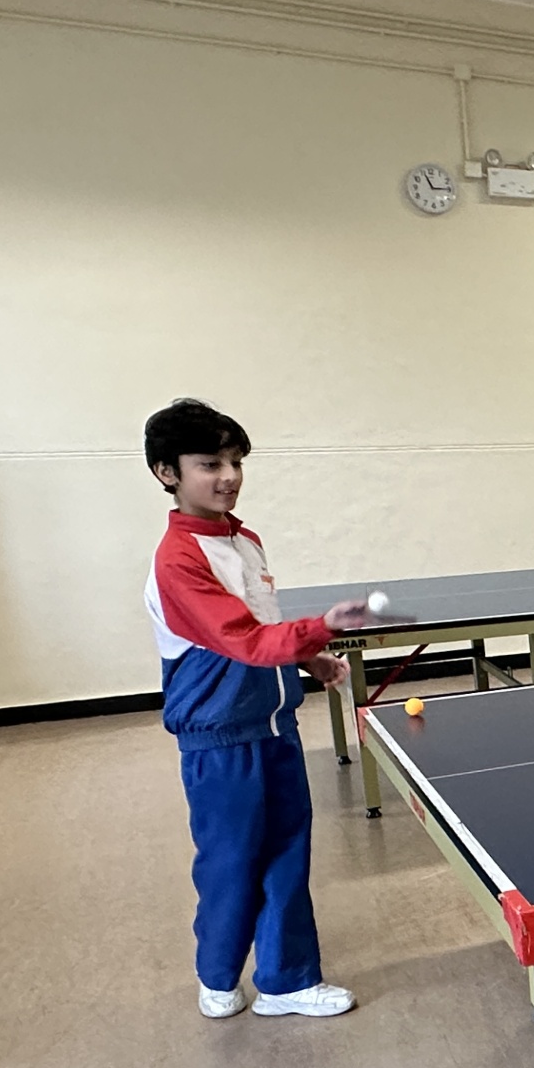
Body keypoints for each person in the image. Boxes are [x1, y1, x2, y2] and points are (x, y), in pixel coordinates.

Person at [143, 399, 376, 1018]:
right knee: (231, 864)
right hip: (221, 736)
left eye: (236, 462)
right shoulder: (178, 560)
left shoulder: (245, 541)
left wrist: (309, 660)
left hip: (275, 725)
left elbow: (262, 626)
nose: (228, 477)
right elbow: (240, 640)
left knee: (288, 855)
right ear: (168, 472)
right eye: (209, 464)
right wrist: (324, 627)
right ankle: (218, 976)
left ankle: (286, 981)